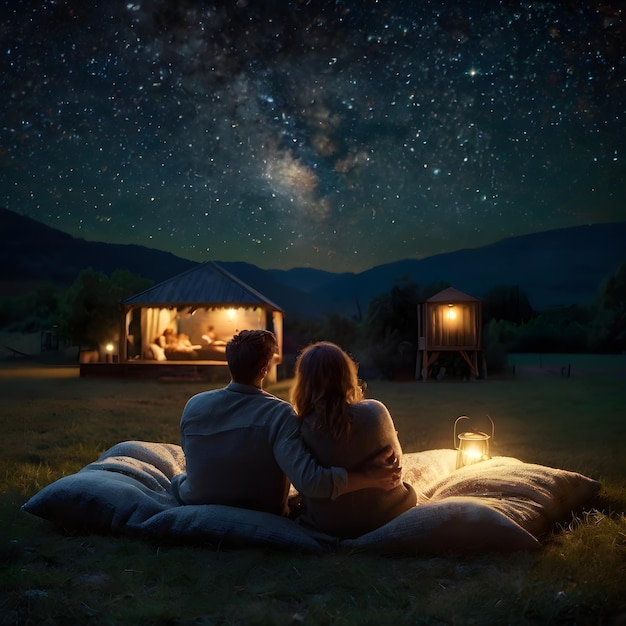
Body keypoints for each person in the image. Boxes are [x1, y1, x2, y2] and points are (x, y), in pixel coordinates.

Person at [170, 330, 400, 516]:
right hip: (261, 508)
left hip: (194, 498)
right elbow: (310, 480)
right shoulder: (278, 414)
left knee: (178, 479)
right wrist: (370, 476)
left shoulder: (194, 405)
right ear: (265, 369)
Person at [290, 341, 417, 538]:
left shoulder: (303, 427)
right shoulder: (375, 411)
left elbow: (307, 480)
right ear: (348, 375)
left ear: (304, 382)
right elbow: (396, 467)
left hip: (330, 524)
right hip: (389, 512)